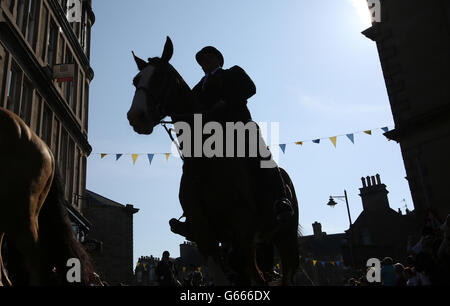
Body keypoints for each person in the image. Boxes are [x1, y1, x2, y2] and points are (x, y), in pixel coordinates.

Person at [169, 46, 294, 240]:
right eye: (202, 59)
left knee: (263, 157)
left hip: (240, 127)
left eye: (210, 56)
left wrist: (226, 102)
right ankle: (193, 218)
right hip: (212, 137)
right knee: (193, 168)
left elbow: (250, 88)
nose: (206, 60)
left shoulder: (233, 73)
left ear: (219, 60)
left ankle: (280, 200)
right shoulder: (197, 88)